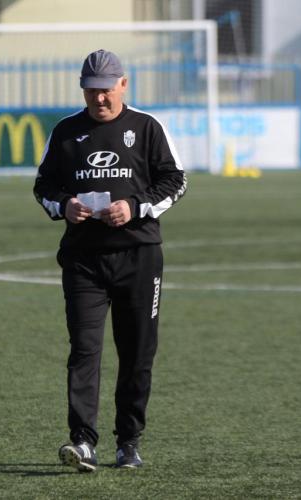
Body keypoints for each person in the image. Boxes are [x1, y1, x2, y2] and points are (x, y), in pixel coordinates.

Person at [33, 49, 187, 472]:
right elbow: (43, 186)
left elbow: (176, 180)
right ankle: (83, 441)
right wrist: (64, 205)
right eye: (91, 91)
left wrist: (134, 207)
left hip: (140, 258)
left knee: (137, 353)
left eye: (106, 90)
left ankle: (128, 442)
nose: (99, 98)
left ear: (123, 84)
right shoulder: (66, 132)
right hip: (83, 261)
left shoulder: (147, 127)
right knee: (84, 351)